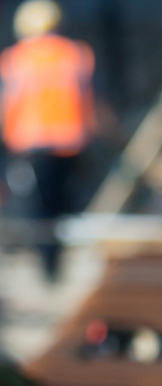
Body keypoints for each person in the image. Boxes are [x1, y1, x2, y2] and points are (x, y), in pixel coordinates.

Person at [1, 0, 96, 281]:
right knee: (62, 203)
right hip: (71, 143)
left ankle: (47, 266)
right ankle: (56, 262)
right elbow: (88, 98)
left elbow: (9, 104)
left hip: (32, 145)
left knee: (38, 208)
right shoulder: (75, 53)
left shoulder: (17, 58)